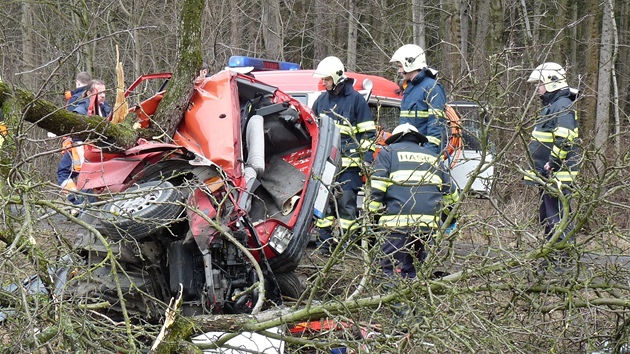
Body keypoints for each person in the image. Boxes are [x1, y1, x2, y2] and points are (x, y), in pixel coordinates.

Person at [368, 123, 458, 279]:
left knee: (385, 268)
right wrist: (450, 220)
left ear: (395, 139)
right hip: (428, 226)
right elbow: (451, 194)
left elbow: (377, 188)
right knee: (417, 268)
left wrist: (371, 218)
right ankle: (412, 297)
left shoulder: (388, 152)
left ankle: (391, 298)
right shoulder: (433, 157)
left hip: (397, 224)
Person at [311, 56, 377, 254]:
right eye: (323, 79)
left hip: (349, 167)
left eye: (327, 79)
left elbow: (367, 133)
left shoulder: (356, 101)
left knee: (346, 205)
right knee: (324, 204)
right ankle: (324, 242)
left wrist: (366, 160)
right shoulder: (321, 101)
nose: (324, 83)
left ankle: (348, 243)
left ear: (337, 77)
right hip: (326, 165)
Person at [524, 62, 579, 248]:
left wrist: (553, 163)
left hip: (555, 175)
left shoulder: (562, 105)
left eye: (539, 83)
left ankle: (561, 259)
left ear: (551, 82)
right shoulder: (555, 105)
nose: (538, 89)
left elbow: (565, 138)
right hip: (548, 175)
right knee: (549, 217)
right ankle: (551, 255)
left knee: (556, 219)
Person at [389, 44, 447, 155]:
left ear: (409, 64)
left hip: (425, 153)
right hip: (409, 151)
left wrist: (428, 152)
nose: (399, 71)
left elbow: (437, 125)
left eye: (400, 66)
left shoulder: (432, 88)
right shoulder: (410, 90)